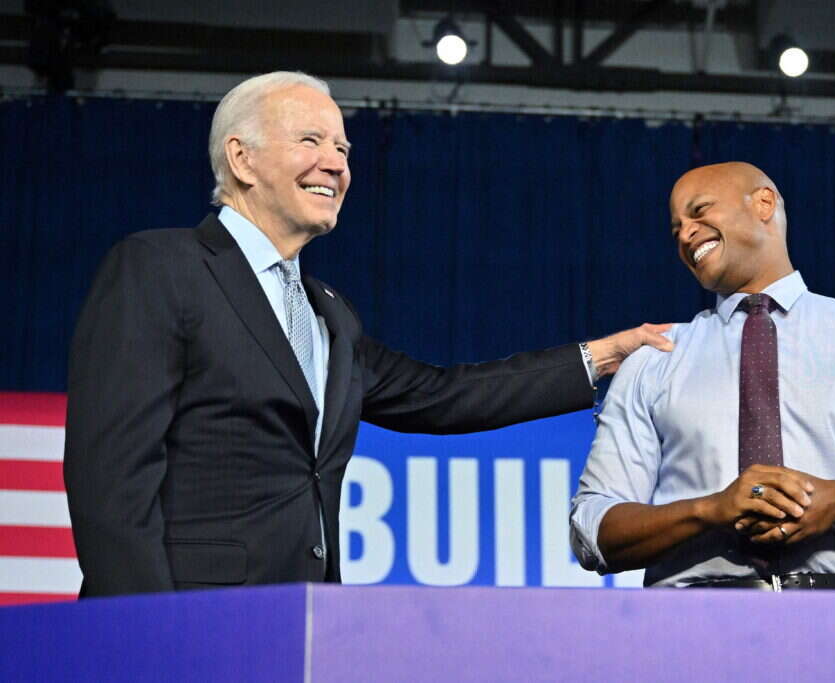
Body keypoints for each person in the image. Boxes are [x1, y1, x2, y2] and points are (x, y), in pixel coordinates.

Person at [63, 71, 672, 597]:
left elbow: (442, 395)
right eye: (311, 141)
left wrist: (600, 356)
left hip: (299, 623)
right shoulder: (160, 268)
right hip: (188, 622)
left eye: (344, 148)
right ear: (242, 159)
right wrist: (141, 630)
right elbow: (110, 479)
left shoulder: (329, 313)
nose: (336, 163)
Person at [570, 162, 835, 590]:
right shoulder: (654, 359)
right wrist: (711, 510)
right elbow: (593, 530)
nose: (686, 235)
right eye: (676, 230)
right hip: (690, 628)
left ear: (764, 203)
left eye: (700, 211)